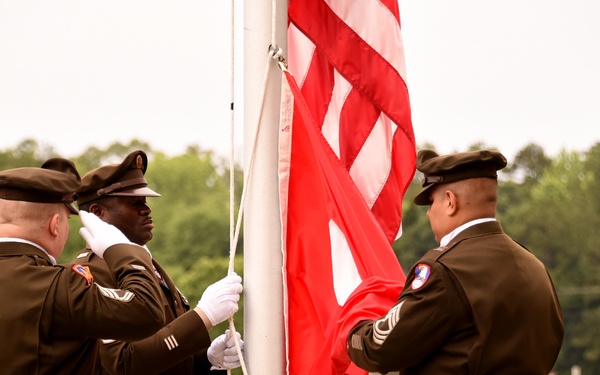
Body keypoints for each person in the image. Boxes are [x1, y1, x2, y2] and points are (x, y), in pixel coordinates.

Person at [347, 149, 564, 374]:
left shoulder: (442, 270)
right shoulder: (536, 268)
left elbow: (381, 350)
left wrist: (351, 331)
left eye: (430, 202)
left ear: (450, 201)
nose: (428, 214)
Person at [74, 150, 244, 374]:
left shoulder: (146, 264)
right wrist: (203, 317)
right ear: (98, 213)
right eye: (134, 203)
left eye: (144, 201)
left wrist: (208, 360)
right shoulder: (93, 272)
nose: (147, 209)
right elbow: (124, 363)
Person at [0, 158, 167, 374]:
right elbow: (146, 311)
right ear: (54, 225)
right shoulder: (60, 286)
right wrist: (121, 249)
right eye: (67, 219)